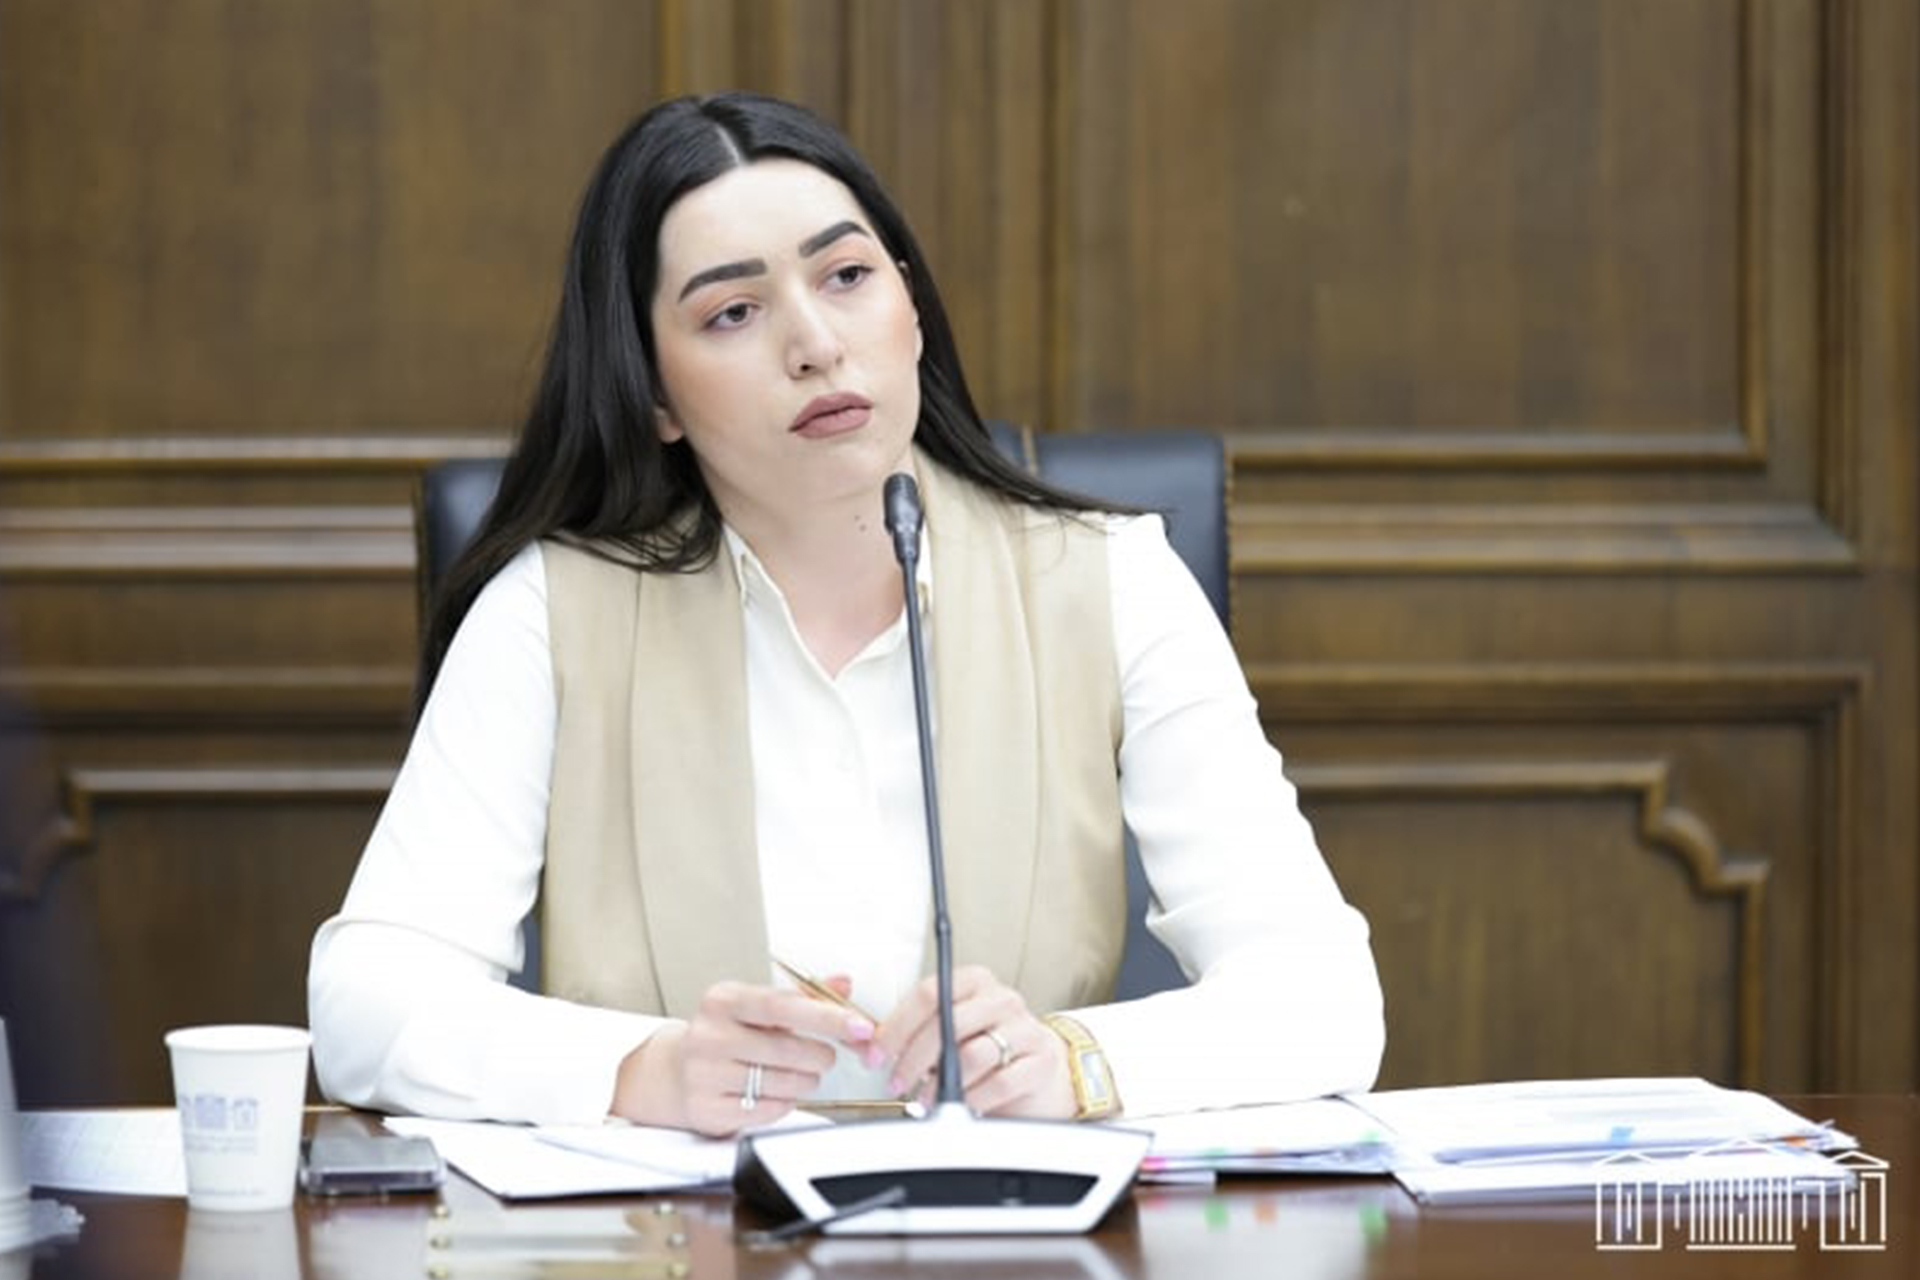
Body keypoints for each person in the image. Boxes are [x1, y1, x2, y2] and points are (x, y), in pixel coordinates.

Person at [308, 91, 1383, 1138]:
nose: (816, 343)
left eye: (848, 276)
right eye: (733, 312)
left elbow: (1327, 996)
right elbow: (366, 1003)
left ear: (910, 310)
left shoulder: (1109, 580)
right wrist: (642, 1068)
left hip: (1011, 1227)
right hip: (690, 1231)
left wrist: (1075, 1062)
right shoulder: (554, 613)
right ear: (656, 395)